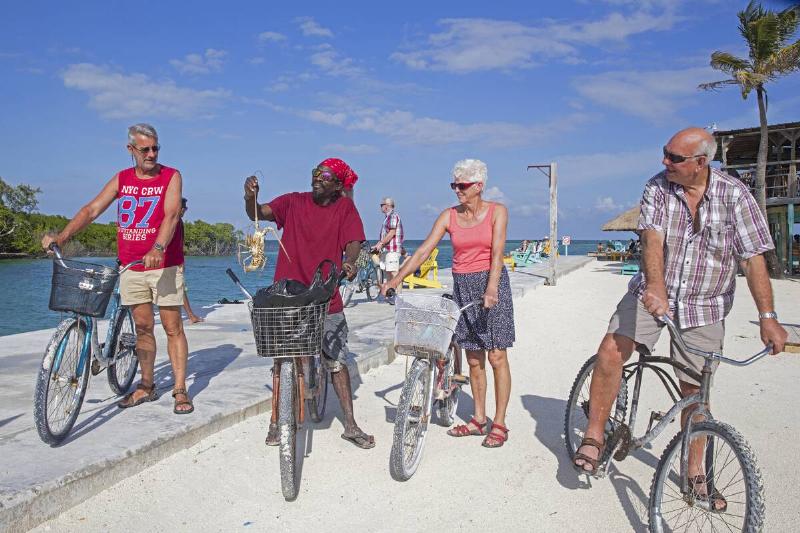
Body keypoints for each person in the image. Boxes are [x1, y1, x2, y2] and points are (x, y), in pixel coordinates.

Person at [573, 128, 787, 509]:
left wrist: (767, 317)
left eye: (674, 157)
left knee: (695, 392)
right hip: (653, 294)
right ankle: (593, 434)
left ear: (700, 163)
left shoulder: (736, 196)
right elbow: (652, 239)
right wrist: (655, 288)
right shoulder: (657, 188)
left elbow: (753, 258)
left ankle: (695, 474)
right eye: (665, 154)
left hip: (705, 305)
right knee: (611, 349)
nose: (664, 163)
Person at [42, 123, 194, 414]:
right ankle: (146, 386)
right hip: (131, 266)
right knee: (143, 327)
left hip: (164, 265)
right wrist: (61, 237)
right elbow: (92, 210)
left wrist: (158, 248)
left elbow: (172, 215)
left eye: (155, 148)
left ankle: (179, 389)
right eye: (145, 149)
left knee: (173, 327)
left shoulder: (171, 176)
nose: (151, 154)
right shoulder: (122, 179)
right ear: (131, 150)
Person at [243, 157, 375, 449]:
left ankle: (350, 425)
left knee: (336, 360)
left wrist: (350, 262)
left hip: (325, 292)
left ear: (338, 185)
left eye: (325, 176)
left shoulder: (344, 208)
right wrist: (249, 196)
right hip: (287, 294)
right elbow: (259, 212)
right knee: (280, 359)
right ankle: (276, 421)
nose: (317, 179)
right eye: (315, 174)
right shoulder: (293, 202)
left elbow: (353, 241)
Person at [382, 159, 514, 448]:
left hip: (491, 283)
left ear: (479, 186)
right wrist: (396, 279)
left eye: (462, 185)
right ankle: (479, 419)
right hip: (463, 285)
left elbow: (497, 253)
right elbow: (423, 250)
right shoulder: (449, 216)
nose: (457, 190)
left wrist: (492, 287)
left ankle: (500, 422)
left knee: (496, 356)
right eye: (454, 184)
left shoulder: (497, 212)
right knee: (474, 357)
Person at [371, 197, 404, 303]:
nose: (380, 207)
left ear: (387, 206)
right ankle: (391, 295)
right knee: (388, 273)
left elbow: (391, 233)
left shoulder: (393, 216)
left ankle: (399, 297)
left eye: (381, 205)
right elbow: (385, 234)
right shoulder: (387, 217)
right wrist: (378, 245)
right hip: (387, 249)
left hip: (392, 249)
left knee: (394, 272)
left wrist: (381, 243)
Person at [179, 197, 203, 324]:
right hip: (171, 262)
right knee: (181, 288)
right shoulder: (175, 222)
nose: (184, 210)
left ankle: (190, 315)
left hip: (174, 260)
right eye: (183, 208)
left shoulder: (177, 222)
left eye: (185, 208)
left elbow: (179, 245)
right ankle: (191, 315)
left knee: (179, 289)